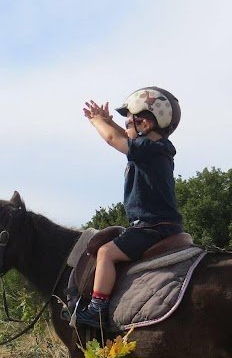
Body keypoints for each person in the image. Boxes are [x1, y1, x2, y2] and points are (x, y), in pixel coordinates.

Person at [78, 87, 184, 328]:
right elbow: (125, 136)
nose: (124, 125)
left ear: (145, 124)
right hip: (162, 225)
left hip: (150, 227)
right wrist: (108, 120)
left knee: (106, 252)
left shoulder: (150, 150)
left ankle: (97, 309)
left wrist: (96, 122)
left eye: (129, 121)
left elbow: (113, 139)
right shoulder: (154, 148)